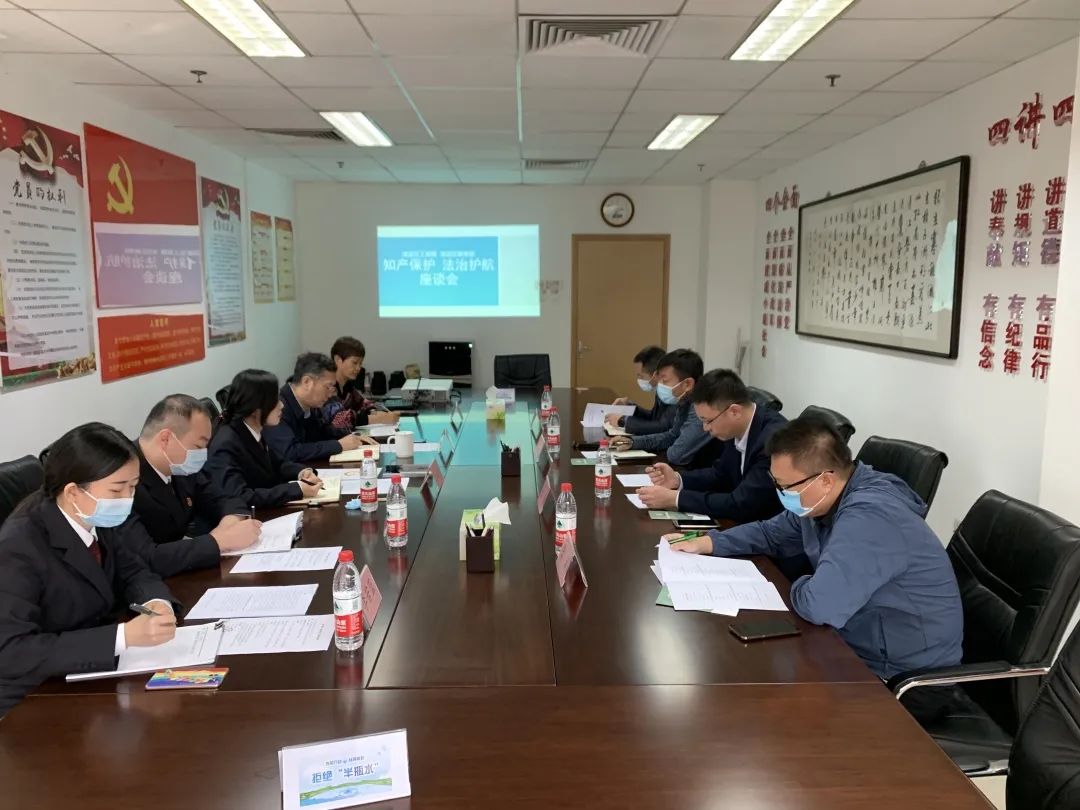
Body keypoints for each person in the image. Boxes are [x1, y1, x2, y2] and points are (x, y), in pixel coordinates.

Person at [671, 417, 963, 680]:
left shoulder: (870, 517)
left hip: (901, 671)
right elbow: (771, 533)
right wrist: (710, 541)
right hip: (853, 637)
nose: (781, 494)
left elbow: (820, 605)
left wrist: (800, 583)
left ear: (825, 480)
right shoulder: (821, 501)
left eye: (785, 487)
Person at [0, 423, 178, 716]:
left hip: (89, 671)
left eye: (133, 486)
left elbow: (134, 569)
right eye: (117, 489)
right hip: (34, 695)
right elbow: (12, 651)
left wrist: (156, 601)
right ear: (73, 492)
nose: (127, 499)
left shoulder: (95, 515)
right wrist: (122, 637)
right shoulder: (18, 546)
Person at [131, 395, 261, 576]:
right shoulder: (124, 481)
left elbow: (223, 497)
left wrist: (231, 520)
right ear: (166, 439)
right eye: (199, 446)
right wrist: (218, 542)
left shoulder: (179, 466)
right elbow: (146, 557)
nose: (203, 454)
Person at [636, 369, 787, 523]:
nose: (705, 428)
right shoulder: (737, 426)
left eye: (708, 421)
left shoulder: (774, 441)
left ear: (734, 411)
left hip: (768, 527)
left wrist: (676, 499)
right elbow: (720, 474)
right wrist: (678, 479)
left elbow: (741, 504)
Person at [206, 369, 325, 508]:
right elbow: (240, 497)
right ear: (255, 408)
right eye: (275, 401)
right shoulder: (226, 443)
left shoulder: (251, 428)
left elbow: (277, 464)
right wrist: (295, 490)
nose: (282, 405)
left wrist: (301, 472)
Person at [609, 349, 717, 467]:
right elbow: (671, 436)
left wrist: (671, 444)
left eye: (665, 380)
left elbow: (676, 454)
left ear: (687, 384)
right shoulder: (684, 400)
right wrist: (633, 442)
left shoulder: (703, 408)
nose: (659, 385)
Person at [266, 352, 376, 463]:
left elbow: (323, 433)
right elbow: (289, 452)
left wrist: (352, 438)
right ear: (307, 382)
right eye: (328, 387)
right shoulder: (277, 409)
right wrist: (338, 445)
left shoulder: (311, 404)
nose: (330, 394)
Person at [324, 336, 399, 432]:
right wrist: (377, 419)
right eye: (354, 363)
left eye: (360, 364)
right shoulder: (327, 387)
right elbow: (337, 421)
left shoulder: (347, 386)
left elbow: (363, 403)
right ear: (338, 359)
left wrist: (375, 411)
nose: (358, 368)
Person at [606, 345, 676, 436]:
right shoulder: (660, 390)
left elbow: (662, 427)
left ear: (655, 375)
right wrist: (630, 406)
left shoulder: (672, 392)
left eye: (640, 376)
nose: (638, 380)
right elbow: (653, 417)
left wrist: (622, 421)